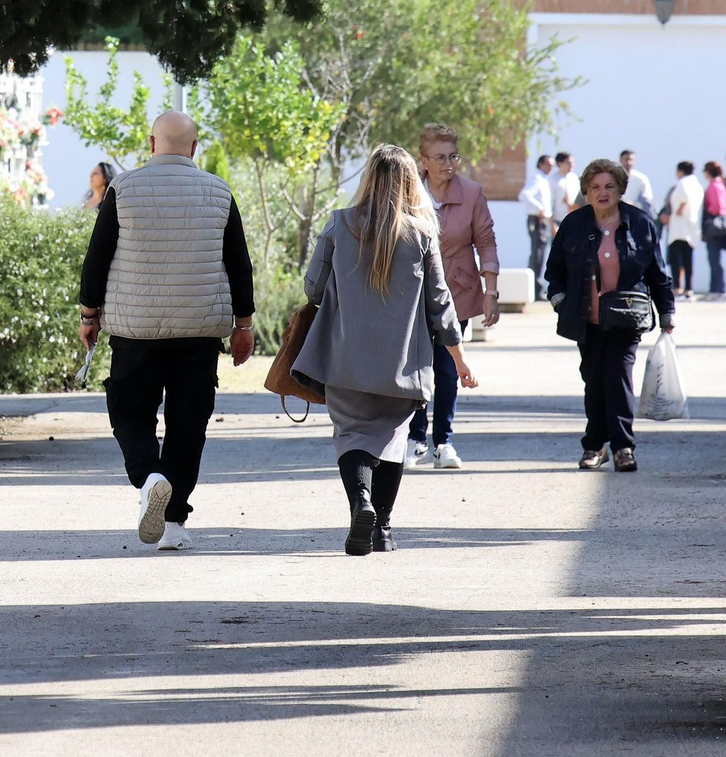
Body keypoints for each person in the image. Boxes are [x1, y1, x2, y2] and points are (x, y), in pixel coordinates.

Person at [78, 111, 255, 552]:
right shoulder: (219, 191)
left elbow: (97, 258)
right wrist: (244, 325)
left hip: (135, 331)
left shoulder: (124, 188)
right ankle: (173, 523)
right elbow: (239, 264)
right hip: (199, 332)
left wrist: (88, 316)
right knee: (188, 423)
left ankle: (149, 476)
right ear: (194, 148)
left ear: (151, 144)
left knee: (130, 412)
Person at [294, 144, 476, 556]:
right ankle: (384, 530)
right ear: (411, 182)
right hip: (402, 364)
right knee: (392, 437)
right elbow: (440, 303)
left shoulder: (339, 224)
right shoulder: (422, 233)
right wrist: (459, 358)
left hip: (343, 358)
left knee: (351, 434)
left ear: (368, 179)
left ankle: (360, 502)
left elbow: (313, 288)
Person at [545, 159, 674, 473]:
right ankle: (595, 445)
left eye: (609, 186)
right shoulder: (573, 224)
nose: (602, 193)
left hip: (626, 318)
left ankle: (623, 447)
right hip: (585, 318)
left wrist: (667, 310)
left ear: (620, 190)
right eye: (595, 187)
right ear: (586, 192)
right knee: (593, 381)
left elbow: (658, 273)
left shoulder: (641, 223)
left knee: (618, 378)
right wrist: (560, 300)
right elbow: (554, 271)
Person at [407, 124, 498, 470]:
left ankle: (443, 442)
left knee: (447, 368)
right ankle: (415, 439)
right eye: (440, 157)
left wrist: (491, 291)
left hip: (455, 291)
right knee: (417, 367)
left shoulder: (472, 193)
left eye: (453, 156)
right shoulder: (409, 193)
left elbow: (486, 242)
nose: (448, 163)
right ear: (424, 160)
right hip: (414, 293)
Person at [519, 154, 555, 298]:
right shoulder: (537, 178)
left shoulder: (543, 179)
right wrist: (540, 208)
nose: (551, 168)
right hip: (537, 220)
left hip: (543, 220)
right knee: (537, 254)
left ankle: (535, 286)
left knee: (539, 253)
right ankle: (535, 288)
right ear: (541, 164)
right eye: (548, 164)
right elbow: (524, 195)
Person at [666, 161, 703, 299]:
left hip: (679, 227)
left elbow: (683, 197)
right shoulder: (697, 184)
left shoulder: (683, 183)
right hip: (691, 226)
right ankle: (689, 288)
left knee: (676, 259)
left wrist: (679, 210)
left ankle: (677, 287)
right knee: (688, 259)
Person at [701, 161, 726, 301]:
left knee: (714, 258)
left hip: (715, 224)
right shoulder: (722, 185)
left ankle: (718, 289)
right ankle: (717, 289)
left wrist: (707, 212)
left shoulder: (715, 185)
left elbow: (716, 206)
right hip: (724, 223)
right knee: (716, 258)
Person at [548, 151, 579, 230]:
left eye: (572, 162)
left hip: (574, 220)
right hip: (558, 220)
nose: (571, 165)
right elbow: (548, 202)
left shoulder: (574, 178)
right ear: (560, 163)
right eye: (568, 162)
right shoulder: (553, 180)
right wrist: (552, 224)